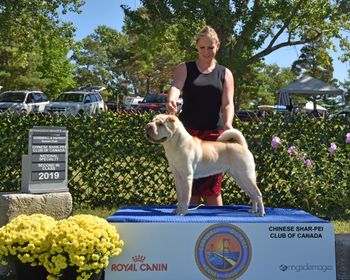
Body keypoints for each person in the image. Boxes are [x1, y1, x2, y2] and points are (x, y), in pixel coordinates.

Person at [166, 25, 234, 206]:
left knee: (212, 191)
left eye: (210, 47)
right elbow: (176, 86)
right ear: (196, 46)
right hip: (187, 137)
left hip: (213, 138)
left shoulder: (225, 73)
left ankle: (217, 231)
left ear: (217, 46)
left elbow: (228, 103)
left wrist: (228, 124)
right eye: (202, 47)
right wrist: (172, 98)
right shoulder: (184, 68)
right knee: (191, 191)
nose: (206, 51)